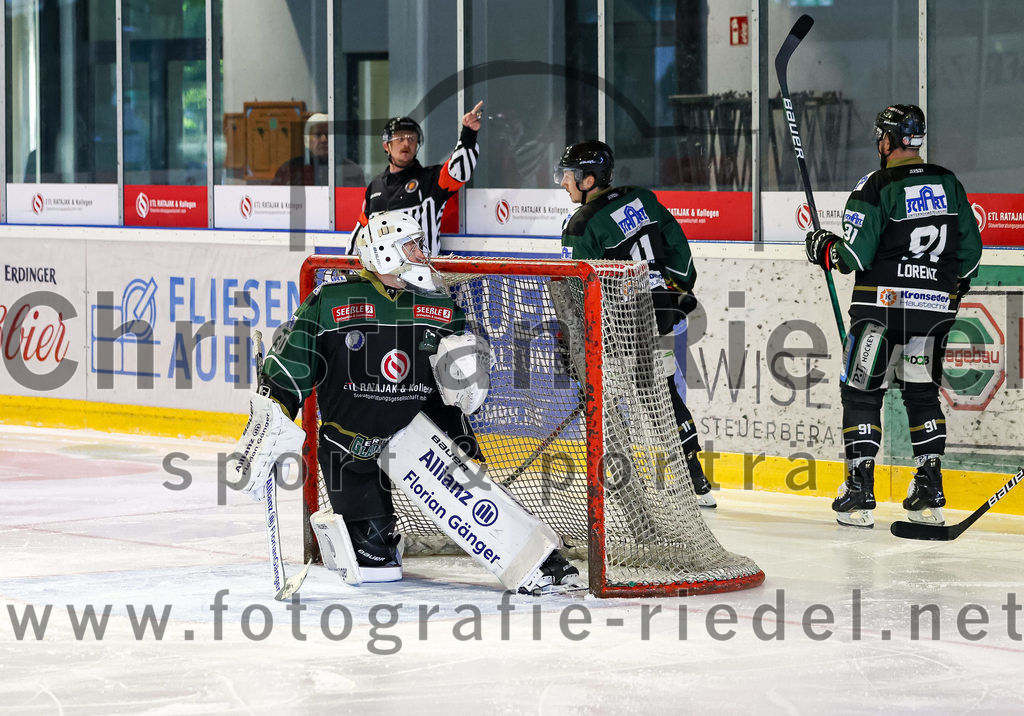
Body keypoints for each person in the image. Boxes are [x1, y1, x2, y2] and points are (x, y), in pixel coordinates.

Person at [233, 209, 580, 594]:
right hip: (348, 446)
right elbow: (290, 369)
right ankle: (375, 538)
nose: (421, 254)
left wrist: (462, 440)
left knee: (475, 500)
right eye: (412, 246)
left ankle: (539, 562)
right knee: (374, 560)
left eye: (419, 246)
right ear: (384, 252)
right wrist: (267, 426)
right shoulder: (330, 302)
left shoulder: (441, 309)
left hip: (414, 439)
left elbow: (445, 399)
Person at [804, 104, 983, 529]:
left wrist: (823, 247)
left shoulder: (876, 184)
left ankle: (860, 493)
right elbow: (972, 255)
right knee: (922, 395)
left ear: (887, 140)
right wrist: (950, 291)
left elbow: (853, 255)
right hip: (933, 314)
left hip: (880, 312)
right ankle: (929, 493)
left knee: (862, 394)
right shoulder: (949, 182)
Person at [555, 140, 716, 508]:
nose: (563, 182)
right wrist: (676, 288)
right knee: (664, 398)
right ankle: (697, 481)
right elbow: (680, 257)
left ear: (589, 179)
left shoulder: (580, 225)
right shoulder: (642, 198)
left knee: (604, 402)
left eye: (569, 175)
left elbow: (574, 294)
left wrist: (570, 345)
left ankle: (619, 482)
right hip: (660, 315)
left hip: (619, 326)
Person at [353, 102, 484, 256]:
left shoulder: (431, 179)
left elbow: (459, 171)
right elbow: (360, 234)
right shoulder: (375, 187)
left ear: (417, 145)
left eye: (411, 139)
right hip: (385, 271)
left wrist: (469, 133)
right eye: (399, 138)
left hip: (423, 270)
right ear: (386, 146)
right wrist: (346, 266)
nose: (406, 143)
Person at [272, 113, 366, 187]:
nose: (324, 140)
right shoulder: (289, 170)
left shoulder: (351, 170)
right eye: (317, 134)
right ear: (306, 140)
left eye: (328, 134)